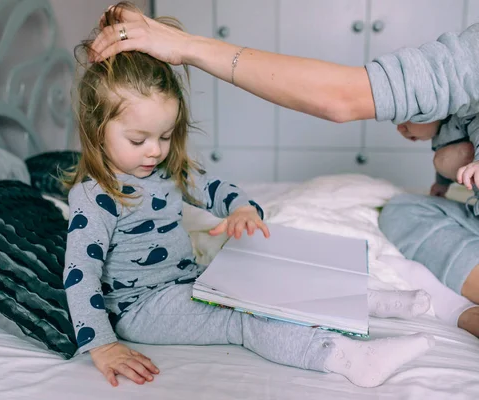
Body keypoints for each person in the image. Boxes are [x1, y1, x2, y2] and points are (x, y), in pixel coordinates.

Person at [63, 5, 435, 389]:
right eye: (138, 140)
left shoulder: (165, 171)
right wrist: (102, 344)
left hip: (187, 281)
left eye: (165, 136)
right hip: (141, 308)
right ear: (96, 130)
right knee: (245, 316)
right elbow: (80, 275)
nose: (154, 151)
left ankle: (360, 302)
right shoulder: (96, 198)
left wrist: (242, 208)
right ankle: (343, 357)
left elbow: (215, 188)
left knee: (268, 278)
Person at [395, 115, 479, 199]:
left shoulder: (463, 115)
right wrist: (441, 183)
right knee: (443, 159)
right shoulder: (440, 136)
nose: (400, 129)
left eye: (405, 119)